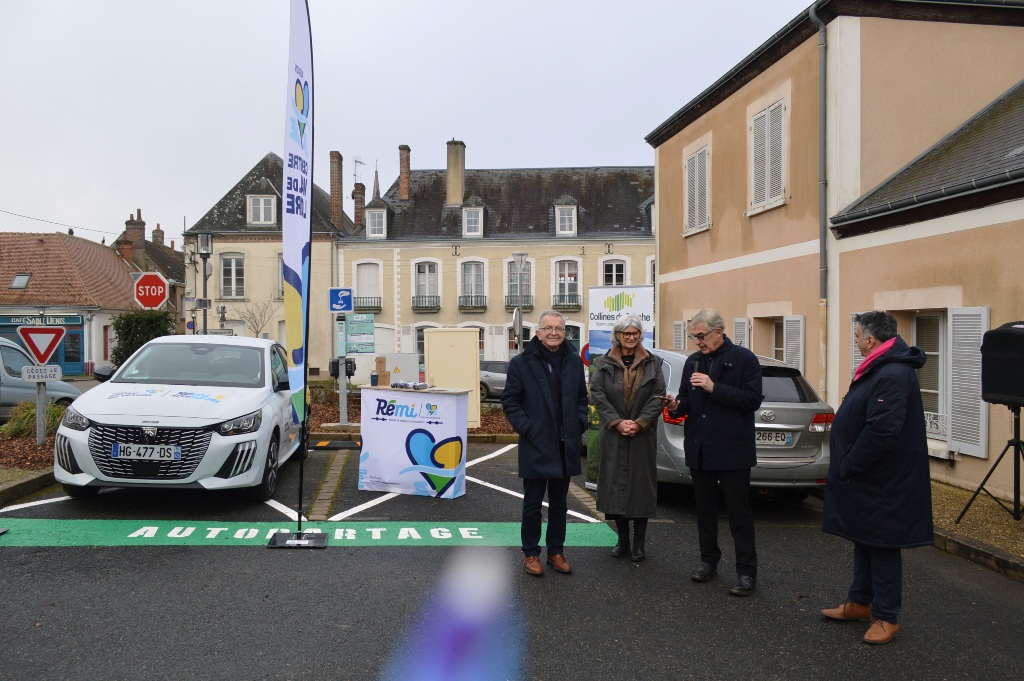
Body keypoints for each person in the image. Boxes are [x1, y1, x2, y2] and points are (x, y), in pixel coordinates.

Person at [821, 310, 933, 645]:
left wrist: (849, 464)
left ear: (870, 339)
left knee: (882, 544)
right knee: (864, 538)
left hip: (883, 480)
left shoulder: (893, 373)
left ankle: (886, 617)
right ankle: (860, 602)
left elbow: (882, 431)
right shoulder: (880, 367)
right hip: (869, 479)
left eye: (857, 336)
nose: (855, 341)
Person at [665, 308, 762, 596]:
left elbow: (752, 400)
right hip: (701, 447)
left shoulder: (745, 359)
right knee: (704, 510)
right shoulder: (693, 361)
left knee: (738, 512)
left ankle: (746, 572)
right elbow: (687, 400)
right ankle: (708, 561)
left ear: (718, 332)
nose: (697, 342)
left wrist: (714, 387)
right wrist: (675, 405)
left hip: (732, 449)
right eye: (693, 337)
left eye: (701, 336)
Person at [501, 310, 589, 577]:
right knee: (532, 504)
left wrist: (579, 423)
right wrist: (528, 429)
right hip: (536, 444)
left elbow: (582, 399)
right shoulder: (521, 363)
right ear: (538, 333)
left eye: (559, 329)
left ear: (565, 333)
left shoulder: (573, 362)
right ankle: (531, 554)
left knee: (560, 504)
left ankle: (555, 552)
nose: (554, 333)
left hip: (565, 445)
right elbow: (510, 401)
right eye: (548, 328)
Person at [591, 315, 666, 562]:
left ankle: (639, 545)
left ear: (640, 336)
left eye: (635, 333)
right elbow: (598, 395)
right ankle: (622, 541)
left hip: (642, 436)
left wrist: (640, 422)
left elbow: (658, 397)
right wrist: (617, 421)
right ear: (617, 336)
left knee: (641, 489)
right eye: (626, 333)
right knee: (616, 489)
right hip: (614, 435)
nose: (631, 337)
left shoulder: (653, 363)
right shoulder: (603, 363)